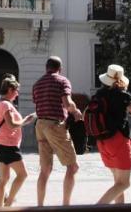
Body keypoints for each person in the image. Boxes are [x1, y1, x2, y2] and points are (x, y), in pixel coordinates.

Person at [32, 56, 83, 206]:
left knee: (45, 169)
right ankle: (66, 205)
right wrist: (76, 111)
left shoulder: (37, 84)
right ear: (60, 69)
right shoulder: (62, 81)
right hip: (55, 125)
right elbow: (67, 103)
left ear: (46, 68)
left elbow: (38, 103)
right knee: (73, 167)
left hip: (40, 125)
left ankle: (40, 206)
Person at [94, 65, 131, 204]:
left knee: (118, 183)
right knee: (124, 183)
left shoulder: (98, 95)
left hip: (102, 140)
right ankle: (97, 208)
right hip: (118, 140)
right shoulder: (123, 95)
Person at [0, 79, 36, 207]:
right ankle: (8, 204)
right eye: (16, 91)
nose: (17, 94)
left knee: (4, 178)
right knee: (22, 175)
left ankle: (0, 207)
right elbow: (11, 125)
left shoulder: (0, 103)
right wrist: (25, 121)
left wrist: (23, 120)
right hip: (8, 145)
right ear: (10, 90)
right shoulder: (6, 105)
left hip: (0, 144)